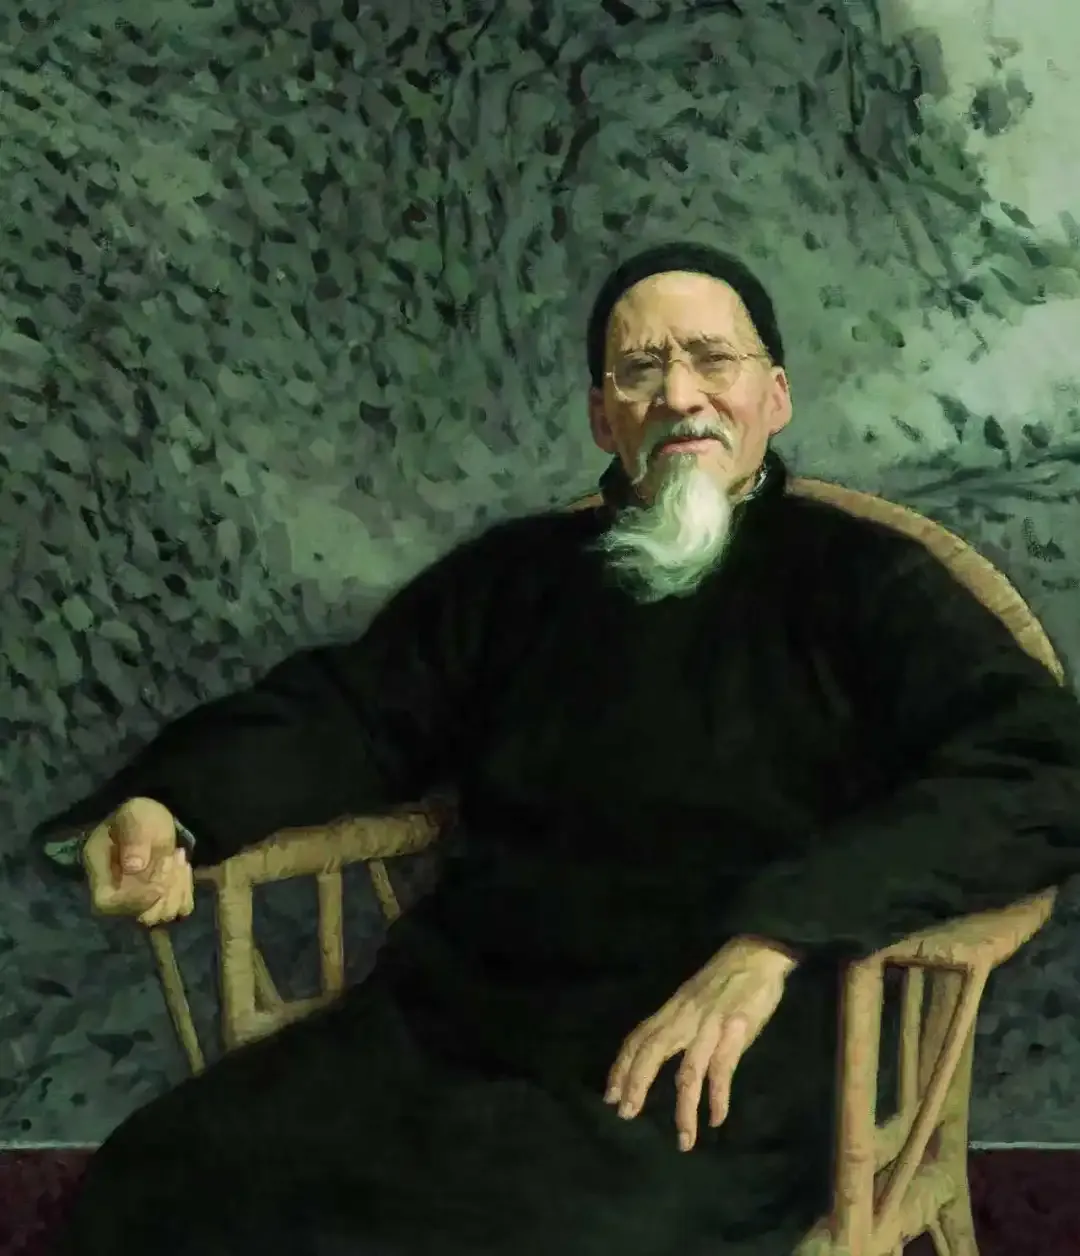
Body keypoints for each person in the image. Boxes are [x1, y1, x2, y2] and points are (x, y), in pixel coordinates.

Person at [40, 243, 1080, 1256]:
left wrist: (779, 935)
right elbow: (349, 710)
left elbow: (1044, 765)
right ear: (600, 414)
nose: (680, 396)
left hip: (711, 1060)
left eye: (712, 360)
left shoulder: (867, 583)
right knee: (159, 1176)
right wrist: (173, 805)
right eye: (642, 369)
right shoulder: (517, 577)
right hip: (456, 1025)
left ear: (775, 395)